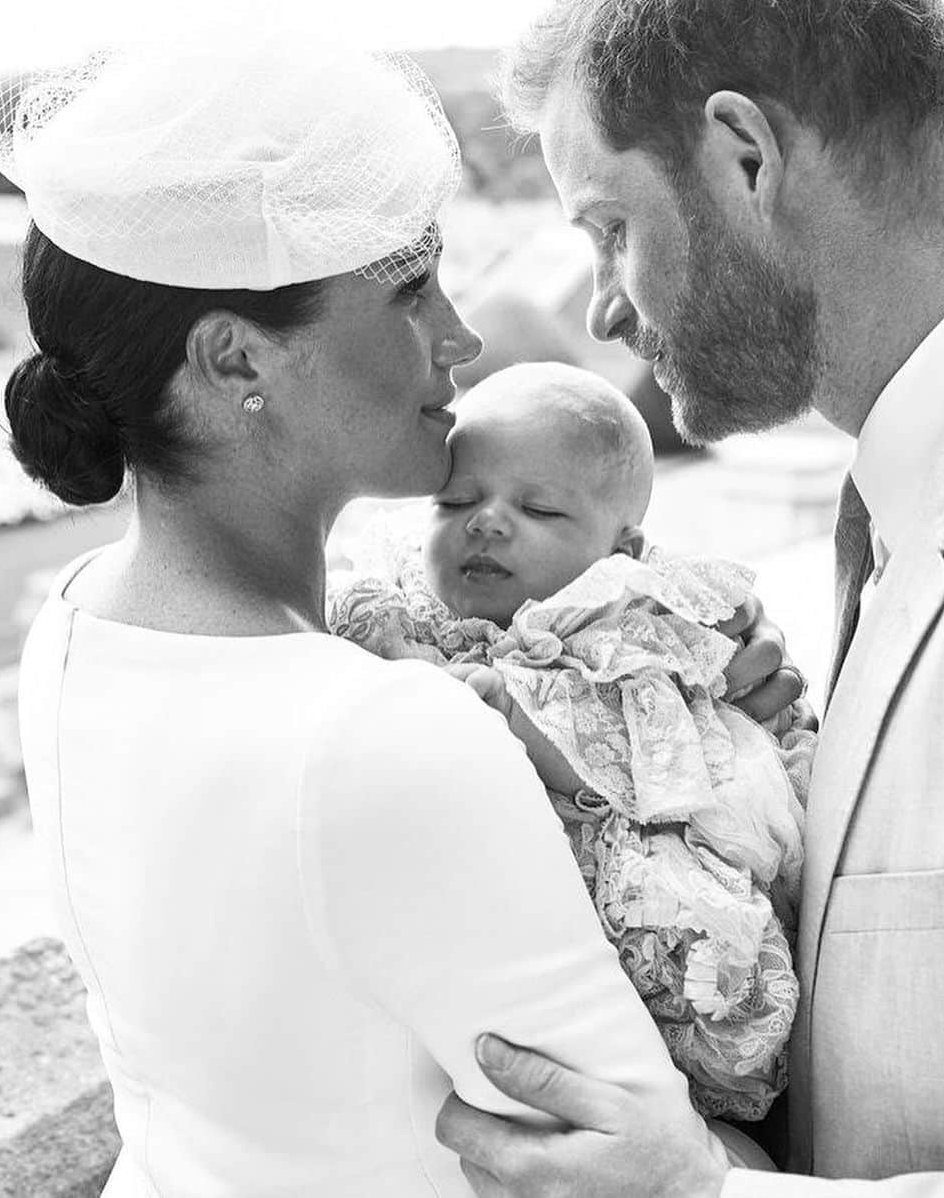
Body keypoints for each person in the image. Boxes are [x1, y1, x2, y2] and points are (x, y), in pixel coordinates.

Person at [0, 29, 799, 1196]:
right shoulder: (387, 731)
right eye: (411, 292)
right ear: (232, 360)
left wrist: (658, 663)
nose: (461, 336)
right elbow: (647, 1162)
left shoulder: (79, 619)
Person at [434, 0, 944, 1196]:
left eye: (610, 227)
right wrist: (779, 792)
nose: (603, 305)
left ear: (745, 158)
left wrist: (704, 1194)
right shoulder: (922, 487)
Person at [331, 360, 815, 1128]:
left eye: (541, 509)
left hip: (628, 876)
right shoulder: (397, 608)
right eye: (456, 499)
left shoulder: (622, 629)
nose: (487, 520)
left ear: (621, 547)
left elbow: (644, 756)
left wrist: (512, 717)